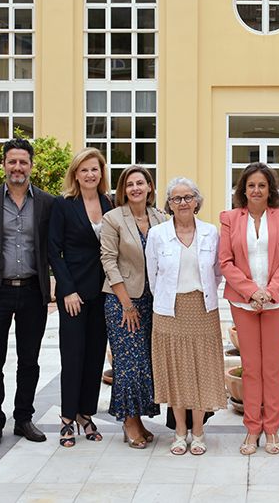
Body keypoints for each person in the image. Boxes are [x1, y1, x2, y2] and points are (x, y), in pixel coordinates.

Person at [0, 138, 55, 448]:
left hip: (33, 292)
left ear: (31, 166)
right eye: (12, 162)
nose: (18, 167)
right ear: (4, 165)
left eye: (23, 162)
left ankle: (23, 418)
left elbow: (50, 246)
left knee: (29, 360)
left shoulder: (47, 203)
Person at [219, 162, 279, 456]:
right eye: (251, 185)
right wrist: (252, 291)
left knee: (272, 367)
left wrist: (271, 292)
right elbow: (225, 261)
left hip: (278, 302)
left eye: (262, 185)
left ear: (270, 190)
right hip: (243, 301)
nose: (256, 190)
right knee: (251, 368)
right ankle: (252, 430)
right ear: (243, 188)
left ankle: (273, 430)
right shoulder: (229, 218)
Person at [146, 177, 226, 456]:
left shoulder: (211, 232)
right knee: (176, 371)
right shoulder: (158, 235)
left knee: (202, 371)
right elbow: (153, 275)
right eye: (176, 199)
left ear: (196, 201)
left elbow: (217, 272)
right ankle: (180, 432)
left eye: (188, 197)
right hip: (169, 310)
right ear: (168, 204)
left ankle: (199, 431)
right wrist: (171, 297)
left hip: (203, 309)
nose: (182, 203)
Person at [48, 148, 113, 447]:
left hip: (105, 291)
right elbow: (53, 251)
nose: (90, 174)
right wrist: (67, 289)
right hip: (74, 291)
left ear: (101, 173)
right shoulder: (63, 206)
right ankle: (66, 419)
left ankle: (86, 414)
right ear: (75, 174)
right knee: (72, 355)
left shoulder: (109, 203)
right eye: (84, 169)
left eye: (95, 169)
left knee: (95, 355)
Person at [100, 165, 166, 448]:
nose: (136, 188)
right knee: (128, 363)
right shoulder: (113, 218)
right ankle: (129, 422)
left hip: (154, 301)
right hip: (122, 300)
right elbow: (108, 260)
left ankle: (138, 418)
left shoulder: (160, 217)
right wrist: (126, 304)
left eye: (141, 183)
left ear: (150, 187)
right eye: (130, 184)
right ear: (123, 190)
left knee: (146, 363)